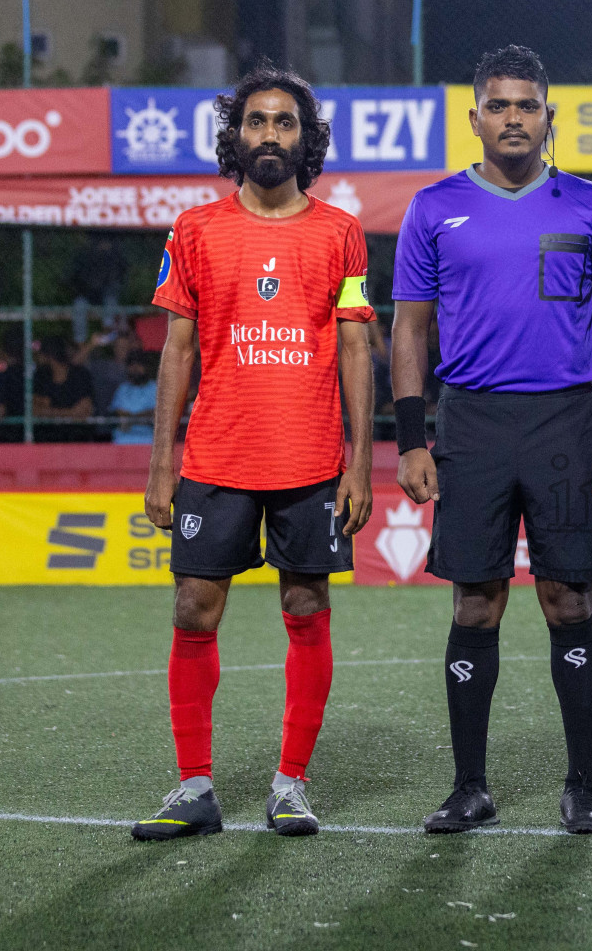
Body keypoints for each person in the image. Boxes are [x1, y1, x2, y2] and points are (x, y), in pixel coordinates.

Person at [131, 62, 376, 841]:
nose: (270, 134)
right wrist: (161, 459)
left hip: (308, 462)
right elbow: (178, 348)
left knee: (306, 607)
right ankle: (195, 786)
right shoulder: (194, 229)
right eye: (257, 122)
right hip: (214, 459)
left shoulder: (339, 232)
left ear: (307, 140)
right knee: (192, 610)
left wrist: (362, 461)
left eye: (286, 123)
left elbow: (356, 350)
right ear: (235, 135)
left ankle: (291, 784)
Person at [390, 46, 592, 836]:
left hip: (567, 419)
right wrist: (411, 438)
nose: (514, 118)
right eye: (499, 106)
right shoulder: (434, 208)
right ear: (476, 119)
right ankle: (470, 787)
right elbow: (409, 331)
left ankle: (583, 784)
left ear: (548, 117)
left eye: (528, 105)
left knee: (569, 599)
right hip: (472, 421)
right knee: (477, 601)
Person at [31, 336, 95, 443]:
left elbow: (85, 410)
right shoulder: (40, 377)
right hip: (47, 441)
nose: (38, 358)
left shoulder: (80, 374)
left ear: (48, 355)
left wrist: (50, 412)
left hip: (77, 441)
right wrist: (70, 412)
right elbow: (35, 410)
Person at [108, 351, 158, 445]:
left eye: (139, 365)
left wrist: (130, 418)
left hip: (148, 440)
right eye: (131, 365)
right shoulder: (122, 389)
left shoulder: (155, 388)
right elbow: (117, 414)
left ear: (147, 367)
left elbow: (156, 415)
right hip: (122, 440)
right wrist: (142, 417)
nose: (135, 368)